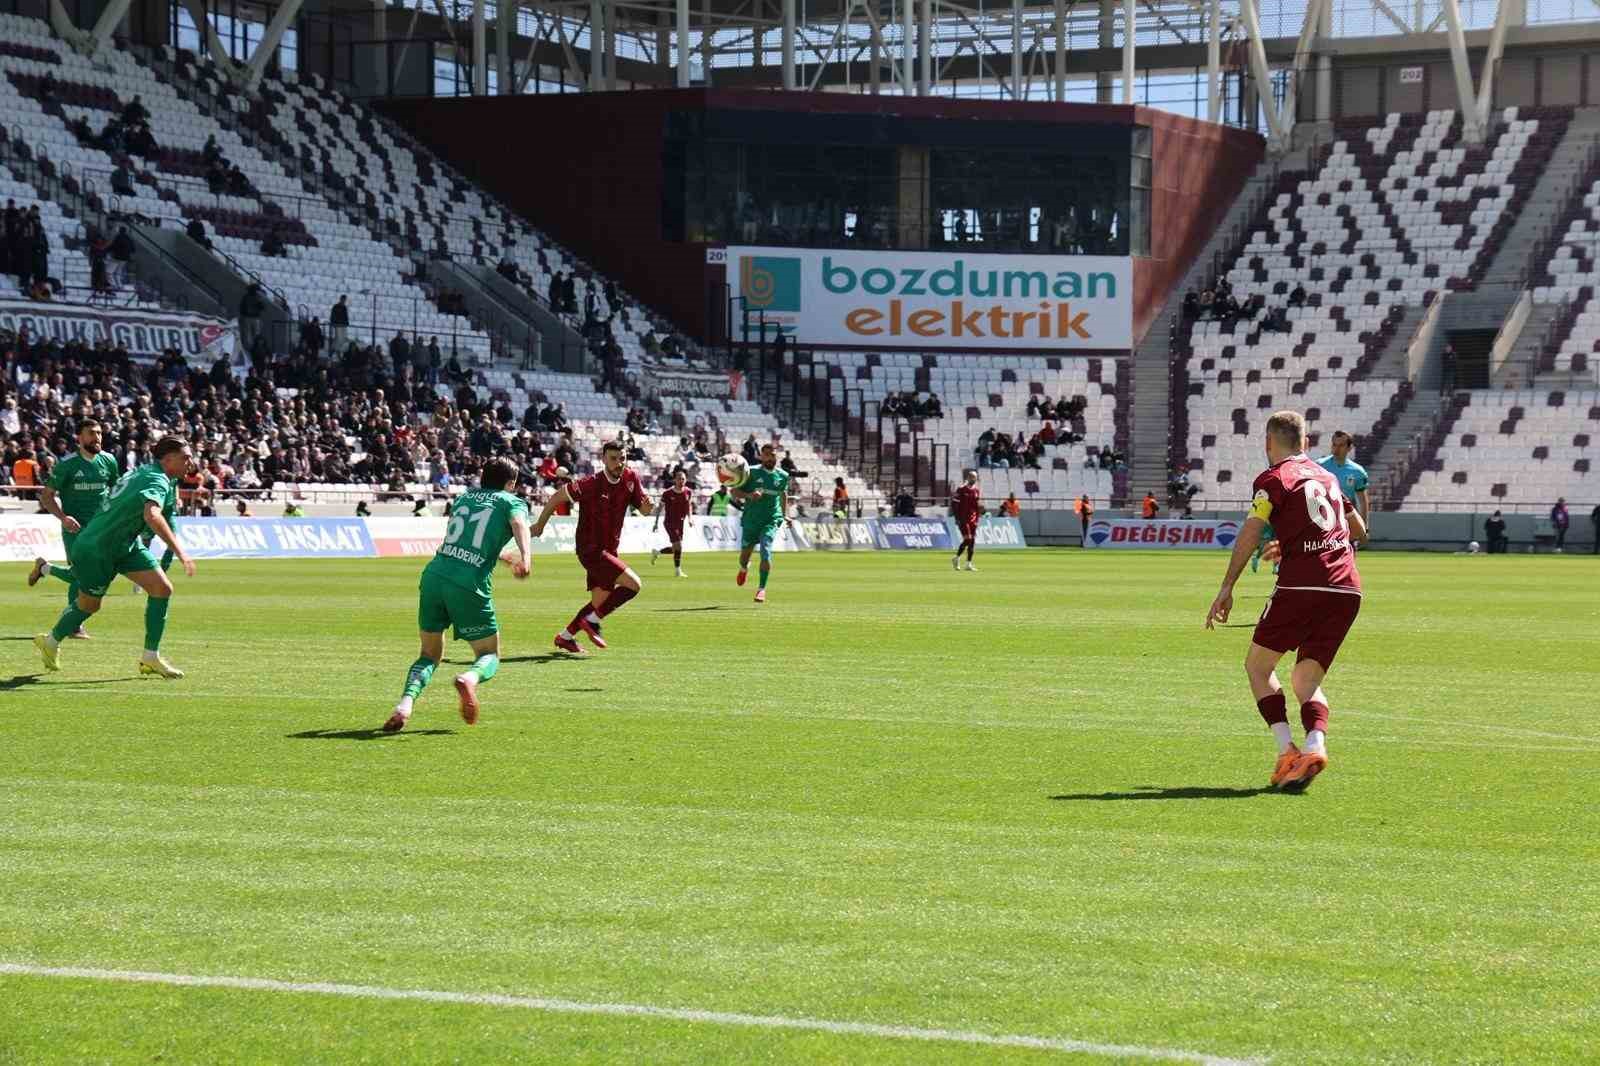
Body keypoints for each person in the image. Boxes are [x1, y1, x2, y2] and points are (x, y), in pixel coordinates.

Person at [1204, 410, 1368, 793]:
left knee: (1258, 667)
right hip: (1346, 589)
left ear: (1268, 442)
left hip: (1301, 588)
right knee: (1305, 678)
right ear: (1306, 443)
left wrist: (1227, 586)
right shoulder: (1327, 476)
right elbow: (1359, 529)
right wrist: (1298, 542)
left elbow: (1249, 532)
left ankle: (1286, 750)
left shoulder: (1272, 479)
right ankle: (1315, 745)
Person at [382, 457, 530, 733]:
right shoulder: (512, 501)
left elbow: (464, 538)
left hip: (434, 576)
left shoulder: (465, 498)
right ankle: (469, 678)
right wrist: (526, 557)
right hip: (468, 582)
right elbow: (519, 524)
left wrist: (502, 557)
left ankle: (404, 706)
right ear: (511, 484)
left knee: (428, 654)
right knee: (489, 655)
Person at [32, 436, 197, 679]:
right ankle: (51, 641)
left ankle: (150, 657)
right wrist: (181, 552)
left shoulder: (146, 471)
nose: (190, 463)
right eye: (185, 458)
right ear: (168, 458)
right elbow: (152, 515)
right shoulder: (156, 478)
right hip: (97, 547)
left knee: (162, 588)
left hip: (125, 543)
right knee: (90, 605)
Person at [534, 440, 652, 653]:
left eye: (622, 458)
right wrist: (540, 525)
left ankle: (565, 637)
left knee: (599, 601)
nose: (619, 463)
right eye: (613, 459)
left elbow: (643, 510)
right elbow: (557, 496)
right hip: (590, 550)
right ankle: (593, 622)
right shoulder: (591, 483)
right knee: (634, 584)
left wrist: (647, 506)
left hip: (609, 550)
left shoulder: (631, 478)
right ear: (603, 459)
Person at [26, 420, 120, 639]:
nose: (97, 437)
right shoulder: (67, 464)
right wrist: (63, 517)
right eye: (91, 433)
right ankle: (74, 625)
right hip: (75, 529)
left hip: (101, 528)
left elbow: (116, 492)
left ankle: (44, 568)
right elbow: (47, 497)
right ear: (79, 437)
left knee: (100, 574)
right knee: (81, 575)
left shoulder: (109, 460)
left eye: (99, 433)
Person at [730, 442, 792, 603]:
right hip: (751, 519)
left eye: (773, 454)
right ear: (762, 456)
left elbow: (783, 494)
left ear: (776, 456)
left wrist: (785, 515)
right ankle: (744, 568)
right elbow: (734, 491)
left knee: (766, 550)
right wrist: (750, 495)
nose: (770, 457)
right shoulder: (751, 472)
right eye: (767, 455)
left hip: (771, 519)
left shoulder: (783, 476)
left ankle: (761, 589)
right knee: (745, 555)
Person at [1317, 431, 1371, 541]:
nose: (1336, 449)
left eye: (1341, 445)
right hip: (1323, 522)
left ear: (1349, 448)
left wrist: (1364, 527)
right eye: (1334, 444)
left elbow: (1363, 502)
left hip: (1346, 522)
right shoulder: (1319, 466)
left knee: (1347, 557)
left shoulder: (1358, 472)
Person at [651, 468, 694, 578]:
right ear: (675, 480)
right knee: (679, 546)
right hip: (669, 522)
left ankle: (657, 552)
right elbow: (660, 508)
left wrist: (690, 518)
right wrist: (656, 523)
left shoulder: (688, 492)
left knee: (676, 548)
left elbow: (688, 506)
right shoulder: (667, 493)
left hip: (681, 522)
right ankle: (677, 571)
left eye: (683, 479)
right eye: (679, 479)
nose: (681, 481)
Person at [950, 469, 982, 572]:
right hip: (963, 519)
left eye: (975, 477)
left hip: (973, 520)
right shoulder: (961, 489)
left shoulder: (976, 491)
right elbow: (954, 505)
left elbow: (976, 507)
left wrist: (977, 518)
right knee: (967, 539)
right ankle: (956, 558)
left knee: (972, 541)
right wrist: (956, 518)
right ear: (968, 478)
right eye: (972, 477)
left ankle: (968, 563)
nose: (973, 479)